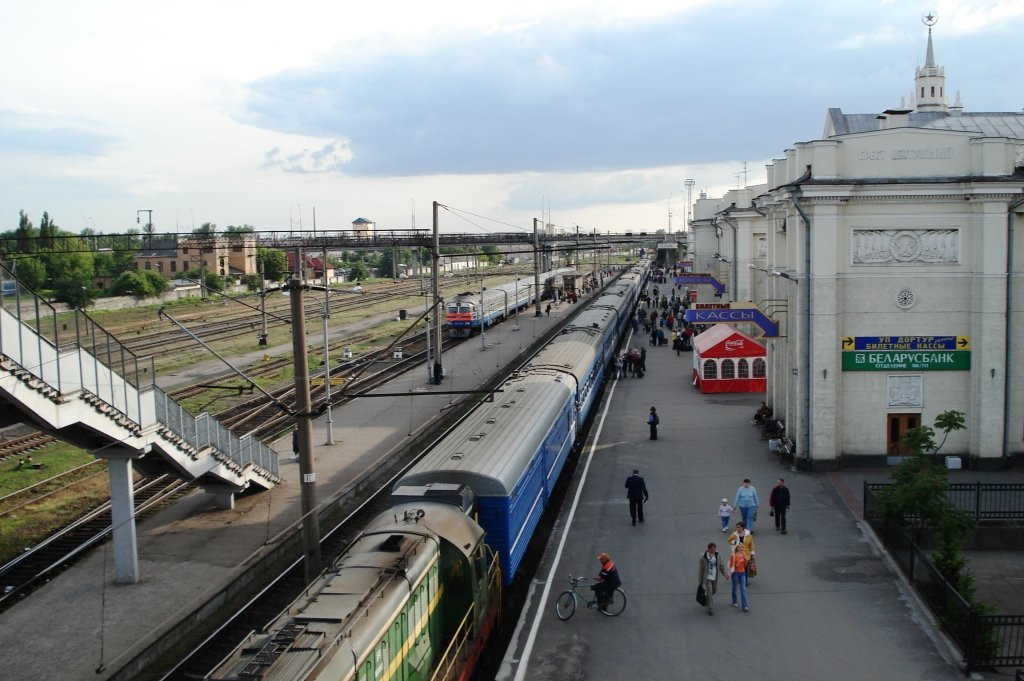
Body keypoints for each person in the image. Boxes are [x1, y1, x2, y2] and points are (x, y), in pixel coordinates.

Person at [699, 542, 729, 615]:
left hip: (715, 577)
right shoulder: (703, 557)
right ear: (709, 549)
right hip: (707, 578)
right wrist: (701, 580)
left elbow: (721, 566)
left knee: (714, 591)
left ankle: (707, 597)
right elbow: (701, 570)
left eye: (715, 549)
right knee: (709, 592)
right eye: (713, 549)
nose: (715, 550)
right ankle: (710, 609)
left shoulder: (717, 555)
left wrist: (725, 574)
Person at [728, 543, 749, 611]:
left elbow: (745, 565)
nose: (741, 548)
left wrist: (745, 559)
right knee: (735, 587)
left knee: (743, 589)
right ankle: (734, 601)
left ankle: (745, 606)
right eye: (740, 547)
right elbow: (731, 565)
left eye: (742, 547)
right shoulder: (733, 555)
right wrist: (730, 573)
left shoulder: (743, 555)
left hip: (742, 573)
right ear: (737, 548)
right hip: (735, 573)